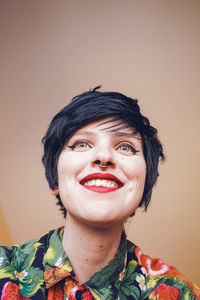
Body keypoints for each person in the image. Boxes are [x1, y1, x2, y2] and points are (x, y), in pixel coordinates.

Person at [0, 87, 199, 299]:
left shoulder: (177, 292)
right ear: (55, 179)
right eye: (82, 144)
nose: (103, 156)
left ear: (144, 183)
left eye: (125, 147)